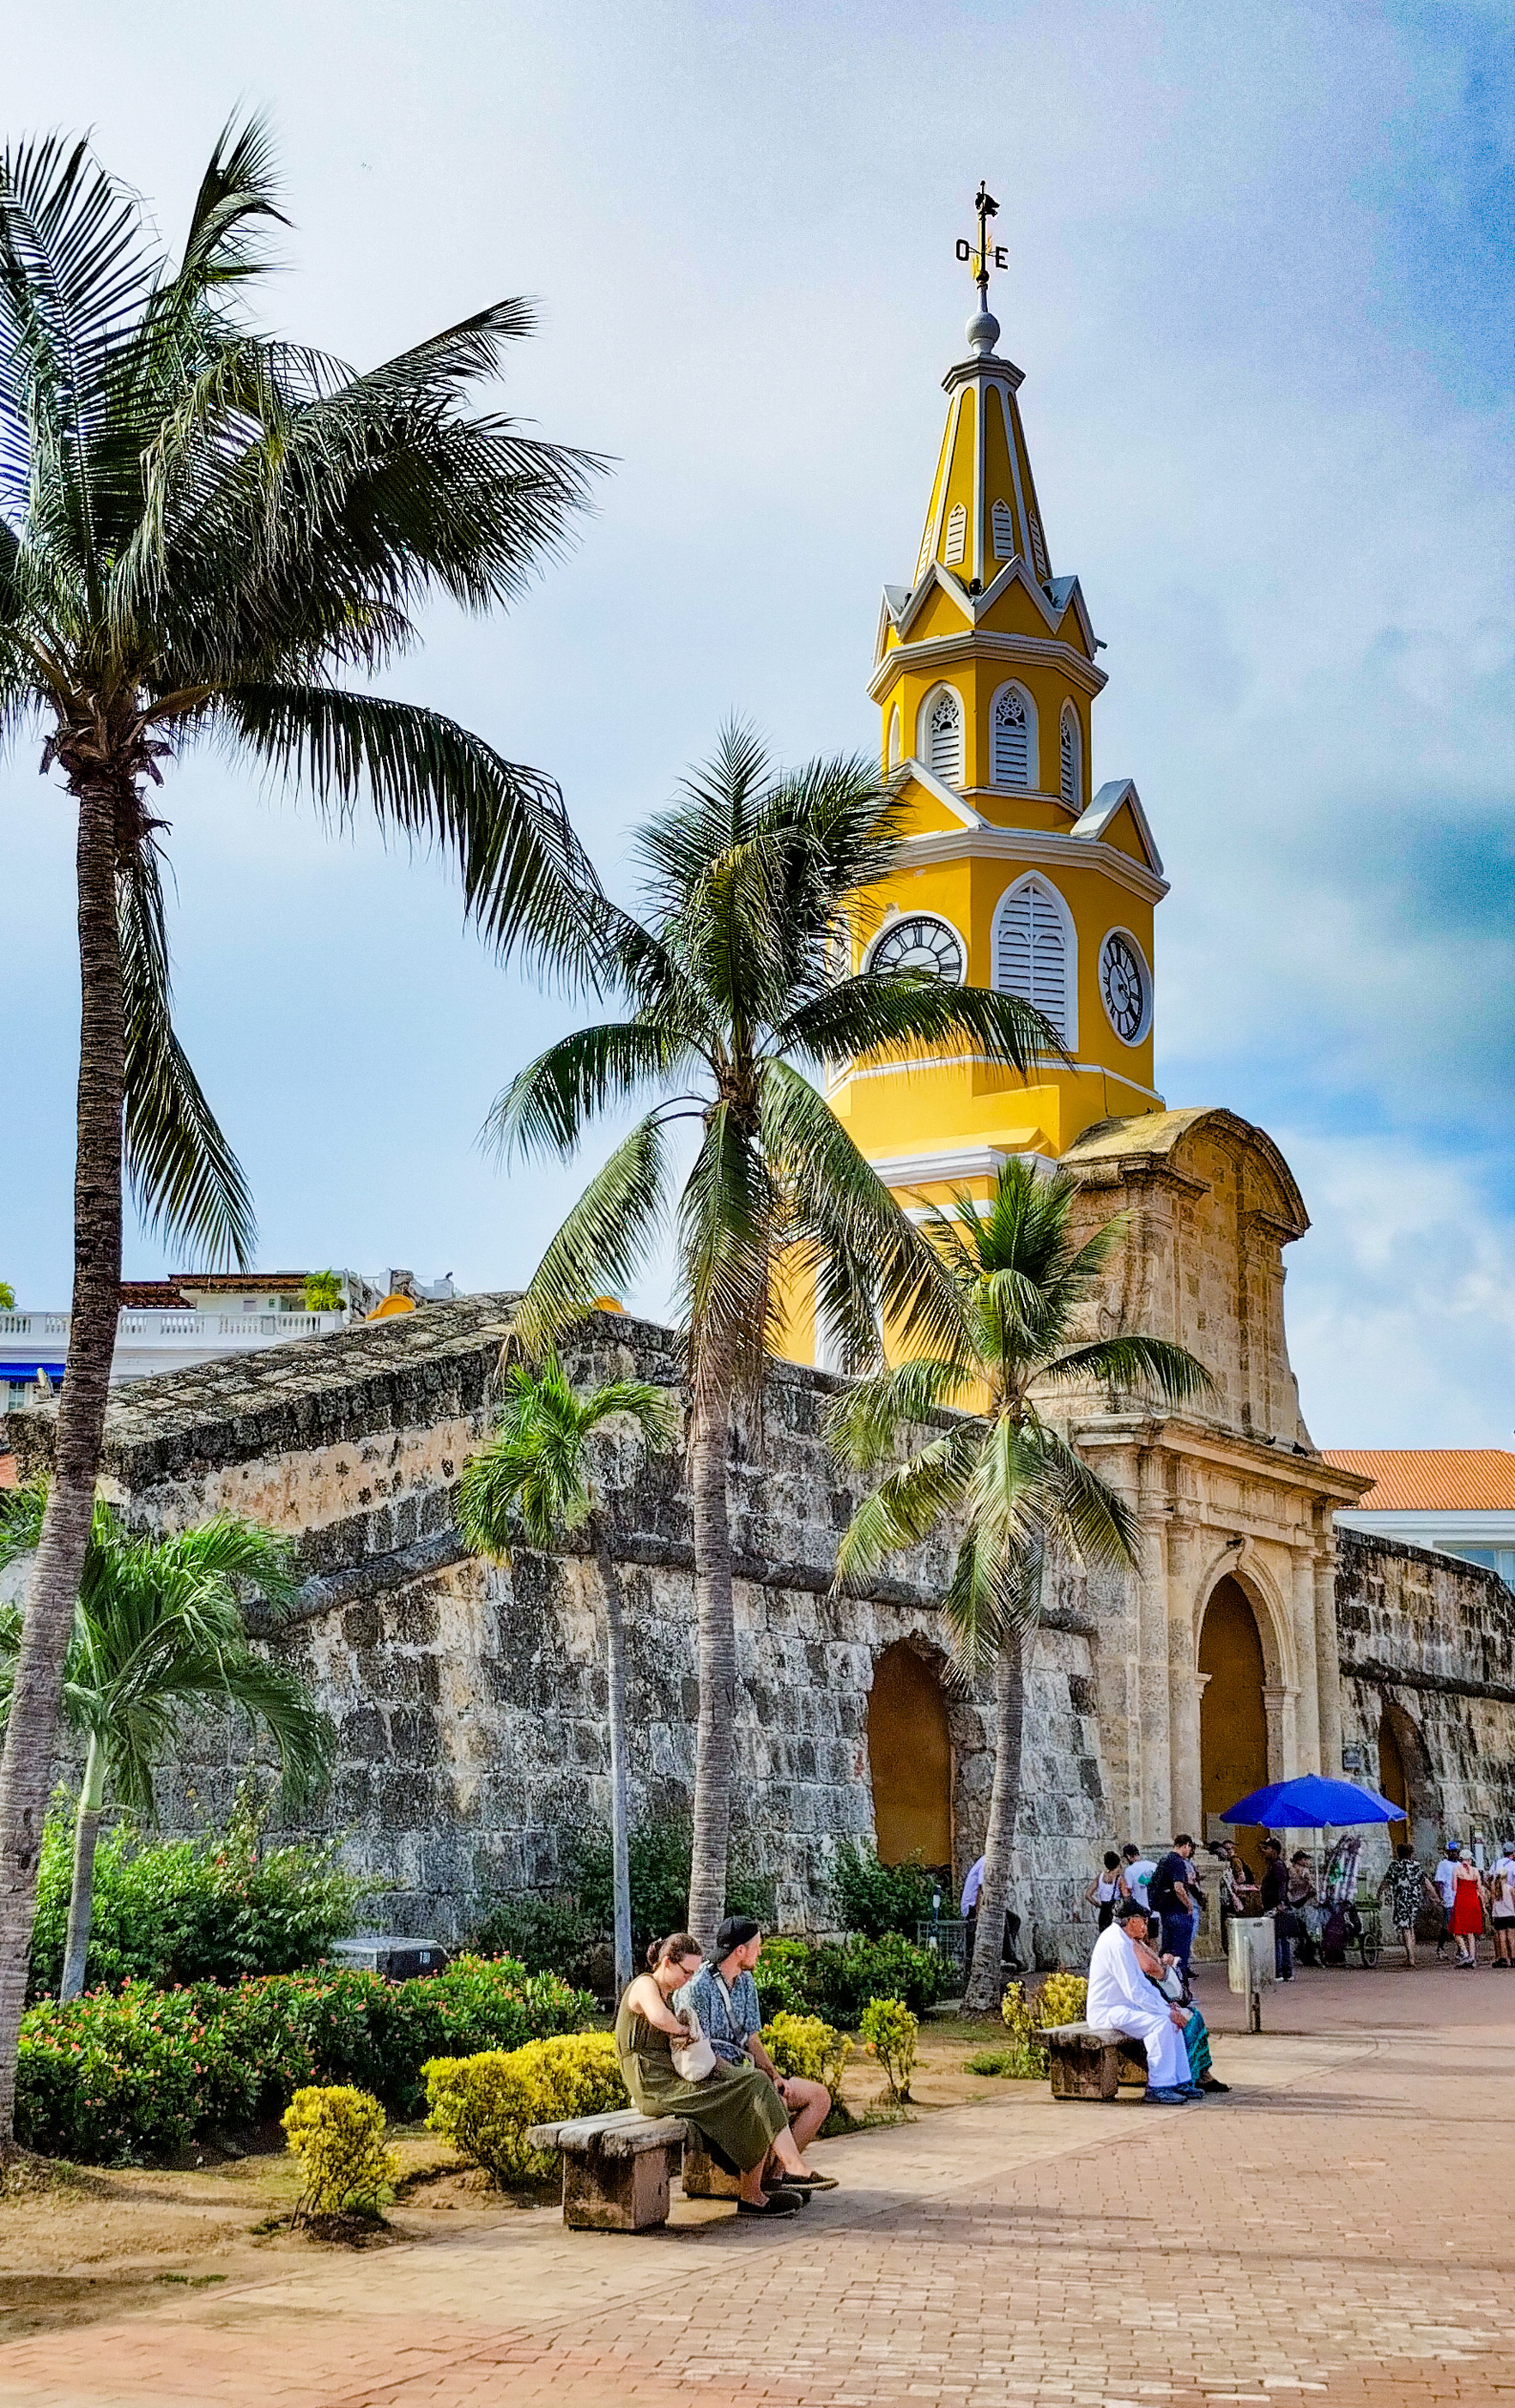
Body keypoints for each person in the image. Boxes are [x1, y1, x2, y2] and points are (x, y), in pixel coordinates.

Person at [615, 1933, 812, 2214]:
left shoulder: (667, 1994)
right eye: (686, 1972)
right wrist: (686, 2031)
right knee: (753, 2086)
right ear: (667, 1962)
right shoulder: (645, 1985)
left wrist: (730, 2072)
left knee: (755, 2084)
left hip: (672, 2082)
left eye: (694, 1973)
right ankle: (779, 2174)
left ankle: (759, 2188)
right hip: (654, 2088)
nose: (689, 1980)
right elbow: (658, 2017)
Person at [676, 1917, 838, 2184]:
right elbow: (698, 2052)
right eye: (757, 1946)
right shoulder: (697, 1988)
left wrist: (774, 2077)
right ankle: (771, 2179)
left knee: (818, 2096)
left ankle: (777, 2177)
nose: (760, 1952)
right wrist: (751, 2081)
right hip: (714, 2080)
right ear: (741, 1950)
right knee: (769, 2100)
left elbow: (752, 2037)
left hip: (747, 2074)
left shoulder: (746, 1982)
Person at [1085, 1897, 1202, 2104]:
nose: (1146, 1927)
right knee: (1162, 2023)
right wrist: (1166, 2013)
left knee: (1171, 2021)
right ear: (1132, 1921)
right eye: (1143, 1921)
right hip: (1106, 2012)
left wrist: (1167, 2005)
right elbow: (1134, 1991)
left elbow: (1143, 1984)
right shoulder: (1116, 1944)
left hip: (1123, 2007)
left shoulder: (1124, 1940)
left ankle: (1180, 2080)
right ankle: (1159, 2086)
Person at [1127, 1914, 1229, 2094]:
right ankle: (1188, 2075)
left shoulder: (1140, 1944)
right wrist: (1163, 1966)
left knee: (1194, 2016)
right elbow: (1152, 1970)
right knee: (1186, 2021)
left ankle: (1200, 2072)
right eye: (1142, 1922)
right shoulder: (1130, 1945)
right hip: (1140, 2006)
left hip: (1155, 2000)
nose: (1145, 1927)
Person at [1148, 1836, 1201, 1981]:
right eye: (1189, 1847)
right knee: (1180, 1953)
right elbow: (1178, 1888)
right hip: (1178, 1911)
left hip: (1166, 1911)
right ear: (1186, 1845)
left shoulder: (1164, 1861)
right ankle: (1180, 1983)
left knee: (1167, 1950)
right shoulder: (1178, 1863)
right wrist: (1189, 1905)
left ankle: (1164, 1981)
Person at [1377, 1843, 1438, 1968]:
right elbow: (1426, 1882)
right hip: (1414, 1899)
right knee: (1410, 1926)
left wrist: (1379, 1894)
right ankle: (1411, 1955)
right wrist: (1436, 1896)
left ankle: (1410, 1957)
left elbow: (1386, 1881)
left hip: (1402, 1899)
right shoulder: (1416, 1866)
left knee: (1405, 1927)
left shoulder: (1395, 1866)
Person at [960, 1856, 1024, 1971]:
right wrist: (978, 1913)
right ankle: (1008, 1956)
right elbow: (981, 1889)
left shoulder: (992, 1862)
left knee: (1014, 1920)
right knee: (1002, 1919)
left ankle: (1007, 1952)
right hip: (973, 1906)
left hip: (984, 1904)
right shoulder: (987, 1862)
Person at [1258, 1840, 1293, 1979]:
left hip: (1276, 1907)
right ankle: (1285, 1971)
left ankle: (1280, 1971)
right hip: (1273, 1905)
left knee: (1278, 1939)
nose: (1264, 1851)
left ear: (1274, 1850)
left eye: (1267, 1848)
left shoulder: (1277, 1866)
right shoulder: (1273, 1865)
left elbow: (1281, 1884)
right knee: (1280, 1938)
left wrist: (1281, 1902)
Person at [1448, 1852, 1486, 1967]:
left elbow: (1454, 1887)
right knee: (1470, 1932)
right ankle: (1472, 1957)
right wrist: (1483, 1905)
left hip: (1461, 1900)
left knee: (1456, 1930)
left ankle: (1465, 1953)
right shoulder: (1475, 1871)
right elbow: (1480, 1889)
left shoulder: (1457, 1869)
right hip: (1473, 1900)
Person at [1287, 1851, 1320, 1968]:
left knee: (1304, 1931)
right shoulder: (1297, 1871)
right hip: (1297, 1902)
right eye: (1304, 1859)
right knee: (1306, 1930)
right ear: (1299, 1860)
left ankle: (1303, 1951)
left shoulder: (1299, 1870)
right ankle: (1306, 1954)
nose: (1306, 1861)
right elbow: (1295, 1885)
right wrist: (1307, 1881)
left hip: (1298, 1902)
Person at [1432, 1843, 1463, 1961]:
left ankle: (1460, 1950)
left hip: (1460, 1899)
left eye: (1456, 1851)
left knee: (1460, 1926)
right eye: (1452, 1851)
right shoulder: (1443, 1864)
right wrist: (1440, 1897)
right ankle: (1440, 1947)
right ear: (1448, 1853)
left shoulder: (1460, 1865)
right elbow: (1438, 1882)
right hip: (1449, 1898)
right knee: (1447, 1925)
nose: (1454, 1853)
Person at [1489, 1843, 1515, 1969]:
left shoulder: (1495, 1864)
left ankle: (1503, 1958)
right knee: (1511, 1935)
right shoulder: (1510, 1888)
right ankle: (1513, 1957)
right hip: (1510, 1912)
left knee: (1501, 1936)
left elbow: (1488, 1878)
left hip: (1499, 1913)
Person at [1084, 1852, 1124, 1932]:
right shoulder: (1120, 1879)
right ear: (1118, 1864)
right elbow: (1125, 1896)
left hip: (1103, 1912)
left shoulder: (1100, 1876)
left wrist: (1098, 1905)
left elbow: (1088, 1895)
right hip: (1115, 1912)